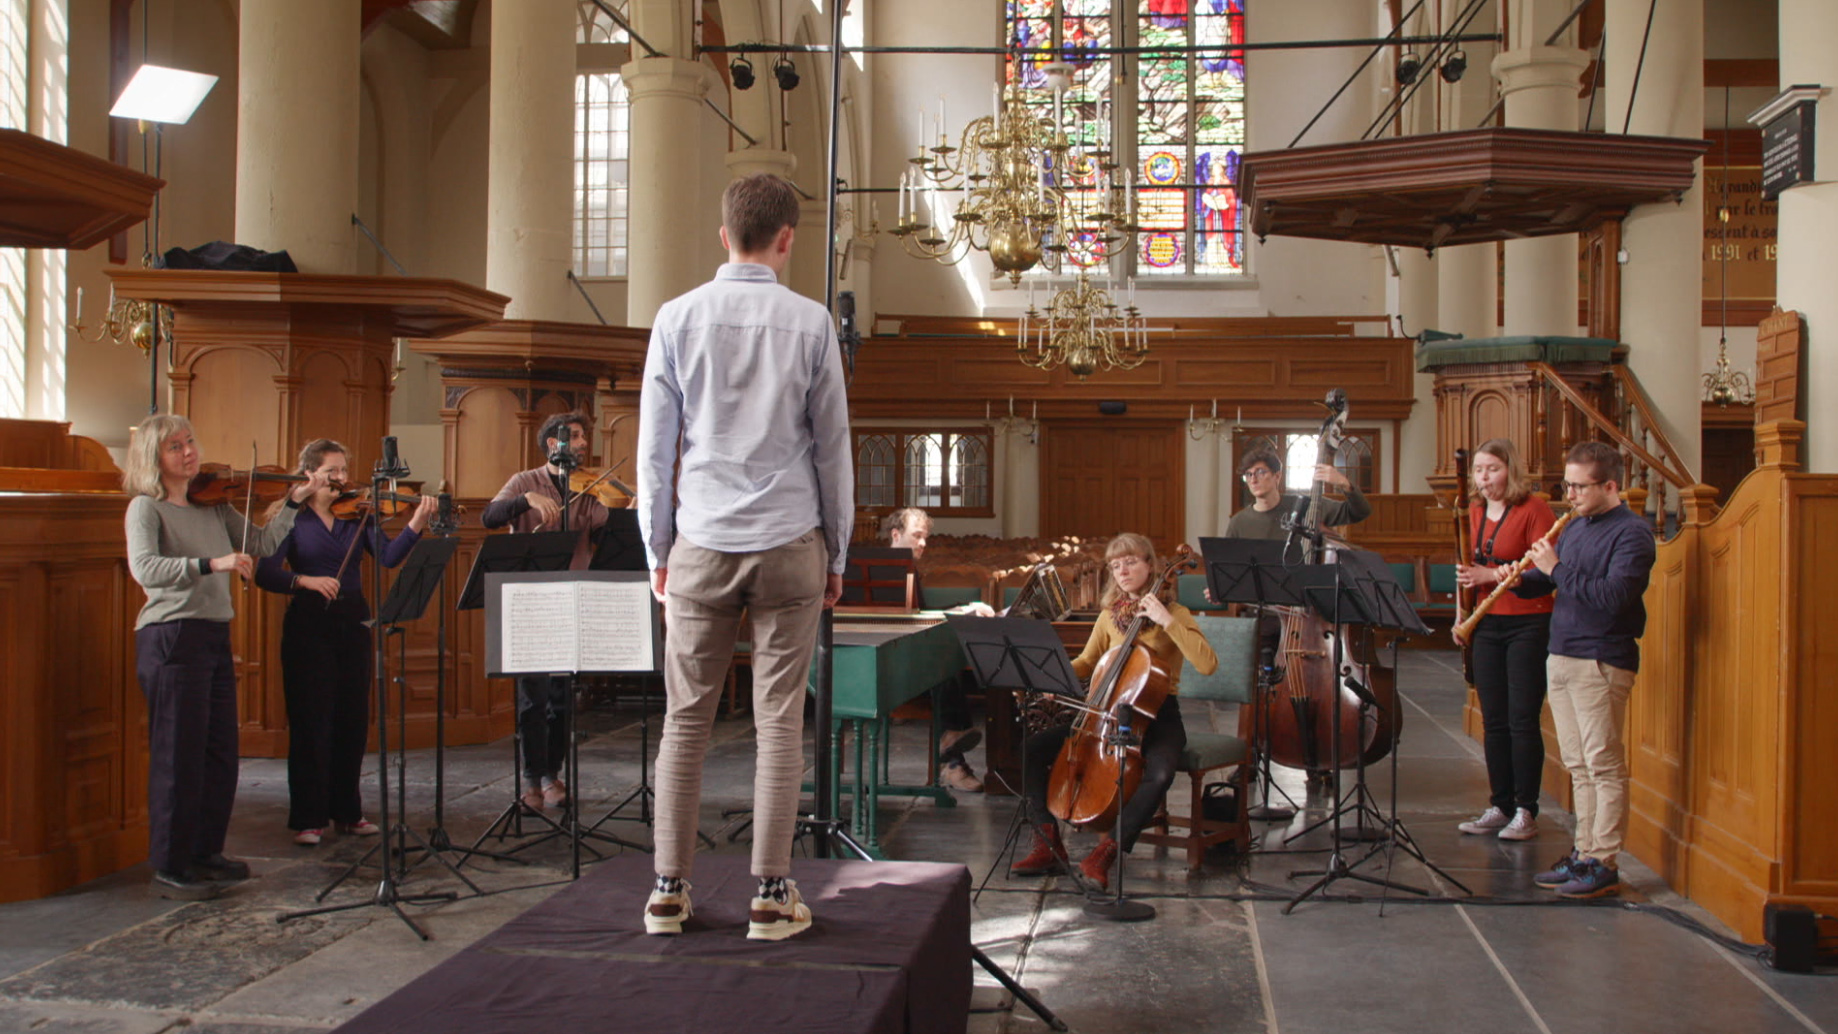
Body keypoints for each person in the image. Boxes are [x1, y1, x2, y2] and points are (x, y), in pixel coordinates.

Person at [637, 172, 853, 941]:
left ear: (722, 234)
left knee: (686, 720)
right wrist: (839, 553)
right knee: (778, 721)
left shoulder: (675, 317)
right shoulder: (811, 321)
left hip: (700, 541)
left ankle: (668, 891)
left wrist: (657, 549)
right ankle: (770, 893)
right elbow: (833, 450)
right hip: (791, 542)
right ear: (787, 239)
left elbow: (654, 452)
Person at [123, 415, 331, 899]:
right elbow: (145, 569)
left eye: (190, 441)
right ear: (155, 459)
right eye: (175, 447)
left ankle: (205, 852)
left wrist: (294, 502)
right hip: (171, 637)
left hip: (214, 635)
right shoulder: (145, 508)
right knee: (178, 757)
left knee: (220, 754)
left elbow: (259, 545)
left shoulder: (212, 503)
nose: (188, 452)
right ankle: (171, 864)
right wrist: (210, 564)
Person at [255, 439, 438, 847]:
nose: (342, 479)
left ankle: (348, 811)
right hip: (308, 622)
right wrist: (304, 581)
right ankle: (308, 817)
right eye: (332, 471)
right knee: (311, 720)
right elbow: (266, 573)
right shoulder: (292, 520)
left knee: (352, 720)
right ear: (310, 474)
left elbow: (388, 558)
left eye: (343, 470)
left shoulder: (357, 515)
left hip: (353, 620)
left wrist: (415, 525)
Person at [1011, 533, 1217, 892]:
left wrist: (1166, 620)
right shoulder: (1110, 617)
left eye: (1131, 561)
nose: (1123, 570)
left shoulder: (1177, 614)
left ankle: (1107, 851)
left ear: (1151, 566)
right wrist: (1047, 674)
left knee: (1162, 771)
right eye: (1116, 565)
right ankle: (1047, 845)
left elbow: (1207, 664)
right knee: (1032, 749)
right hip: (1104, 714)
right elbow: (1088, 662)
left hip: (1157, 714)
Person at [1514, 441, 1656, 899]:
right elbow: (1559, 578)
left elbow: (1612, 597)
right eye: (1567, 485)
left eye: (1578, 486)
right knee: (1577, 764)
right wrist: (1518, 577)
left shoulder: (1632, 534)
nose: (1569, 495)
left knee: (1603, 764)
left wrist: (1552, 567)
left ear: (1610, 485)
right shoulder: (1576, 526)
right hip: (1563, 651)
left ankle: (1604, 861)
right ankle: (1584, 852)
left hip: (1601, 658)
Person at [481, 412, 612, 814]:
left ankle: (553, 773)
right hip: (531, 602)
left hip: (572, 600)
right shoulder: (525, 481)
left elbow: (606, 538)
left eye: (583, 437)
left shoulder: (589, 488)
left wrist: (624, 511)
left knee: (561, 698)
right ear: (553, 444)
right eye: (574, 437)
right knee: (531, 698)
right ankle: (530, 776)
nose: (583, 444)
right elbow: (490, 516)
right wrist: (526, 501)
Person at [1452, 439, 1556, 842]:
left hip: (1528, 623)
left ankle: (1526, 809)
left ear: (1510, 469)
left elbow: (1544, 572)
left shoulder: (1534, 509)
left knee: (1521, 719)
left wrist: (1489, 576)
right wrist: (1462, 614)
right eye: (1478, 470)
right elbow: (1465, 568)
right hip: (1485, 623)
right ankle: (1501, 804)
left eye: (1492, 469)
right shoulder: (1473, 512)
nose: (1483, 478)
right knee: (1492, 720)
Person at [884, 506, 991, 792]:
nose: (923, 543)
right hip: (882, 665)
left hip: (904, 657)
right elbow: (903, 622)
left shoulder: (909, 570)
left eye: (926, 537)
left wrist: (963, 609)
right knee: (941, 667)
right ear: (896, 535)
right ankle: (952, 755)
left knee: (945, 664)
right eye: (917, 536)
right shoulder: (880, 570)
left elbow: (918, 615)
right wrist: (960, 610)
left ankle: (952, 755)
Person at [1224, 445, 1371, 544]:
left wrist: (1343, 483)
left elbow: (1360, 512)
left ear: (1277, 476)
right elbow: (1229, 566)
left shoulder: (1306, 506)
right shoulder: (1238, 522)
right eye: (1248, 475)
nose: (1253, 479)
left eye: (1260, 472)